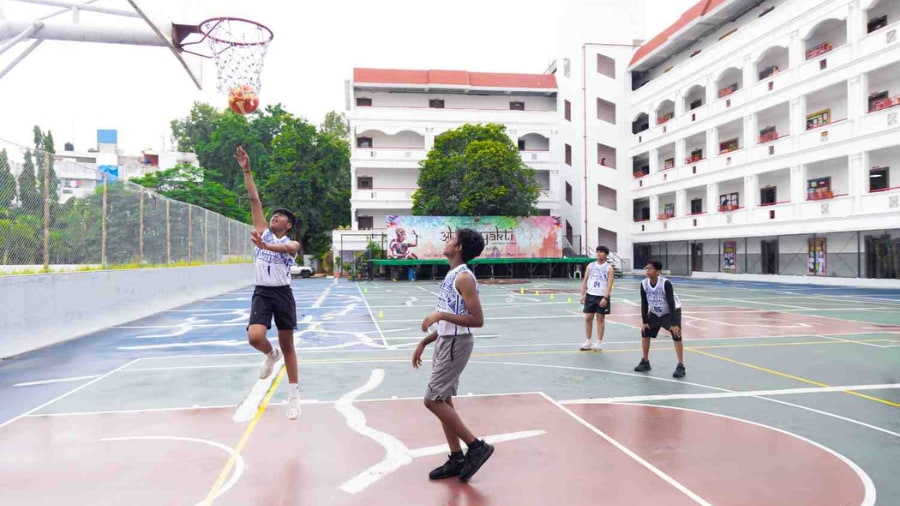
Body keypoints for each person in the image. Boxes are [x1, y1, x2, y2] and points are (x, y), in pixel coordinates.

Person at [412, 228, 493, 482]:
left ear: (459, 248)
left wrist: (440, 316)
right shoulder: (453, 274)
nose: (447, 242)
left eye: (451, 239)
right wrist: (426, 340)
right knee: (443, 399)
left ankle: (476, 447)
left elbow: (476, 320)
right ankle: (457, 457)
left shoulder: (464, 278)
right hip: (446, 340)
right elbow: (452, 317)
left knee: (432, 400)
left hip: (457, 343)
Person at [235, 146, 303, 419]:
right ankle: (269, 354)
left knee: (290, 347)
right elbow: (254, 199)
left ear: (288, 225)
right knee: (255, 337)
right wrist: (246, 170)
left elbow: (288, 249)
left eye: (281, 216)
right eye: (273, 214)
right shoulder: (262, 231)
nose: (275, 216)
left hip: (282, 294)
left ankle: (294, 396)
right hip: (262, 292)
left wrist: (267, 246)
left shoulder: (290, 243)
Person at [634, 260, 686, 378]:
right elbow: (644, 303)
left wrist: (674, 323)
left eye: (650, 268)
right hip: (654, 312)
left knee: (676, 334)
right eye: (646, 268)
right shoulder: (644, 284)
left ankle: (681, 365)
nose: (647, 271)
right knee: (645, 332)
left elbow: (671, 304)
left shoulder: (665, 283)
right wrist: (645, 321)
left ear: (657, 271)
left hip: (670, 312)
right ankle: (645, 361)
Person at [579, 246, 614, 351]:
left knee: (600, 318)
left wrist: (606, 298)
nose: (599, 254)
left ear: (606, 255)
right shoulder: (590, 265)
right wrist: (582, 294)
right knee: (588, 318)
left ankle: (599, 342)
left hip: (601, 297)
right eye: (597, 252)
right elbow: (585, 280)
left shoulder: (609, 268)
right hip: (590, 295)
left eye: (601, 252)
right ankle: (588, 341)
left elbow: (609, 284)